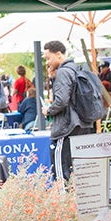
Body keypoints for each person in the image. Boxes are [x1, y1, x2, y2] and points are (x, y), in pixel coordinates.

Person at [42, 40, 95, 181]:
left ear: (58, 54)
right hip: (82, 123)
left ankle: (64, 201)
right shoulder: (76, 69)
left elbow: (61, 101)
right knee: (77, 170)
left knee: (62, 171)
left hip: (67, 127)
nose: (47, 62)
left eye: (48, 58)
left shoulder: (63, 72)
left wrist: (48, 110)